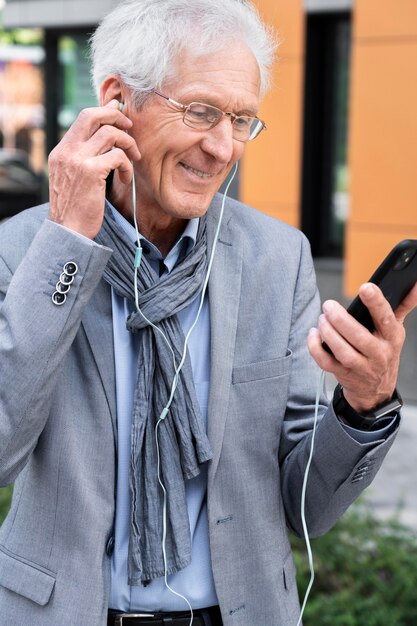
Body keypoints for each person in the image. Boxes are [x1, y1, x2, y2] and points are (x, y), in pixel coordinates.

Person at [0, 1, 416, 625]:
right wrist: (66, 243)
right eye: (201, 111)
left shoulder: (278, 258)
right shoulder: (23, 252)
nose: (224, 147)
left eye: (244, 120)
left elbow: (308, 509)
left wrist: (363, 407)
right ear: (118, 100)